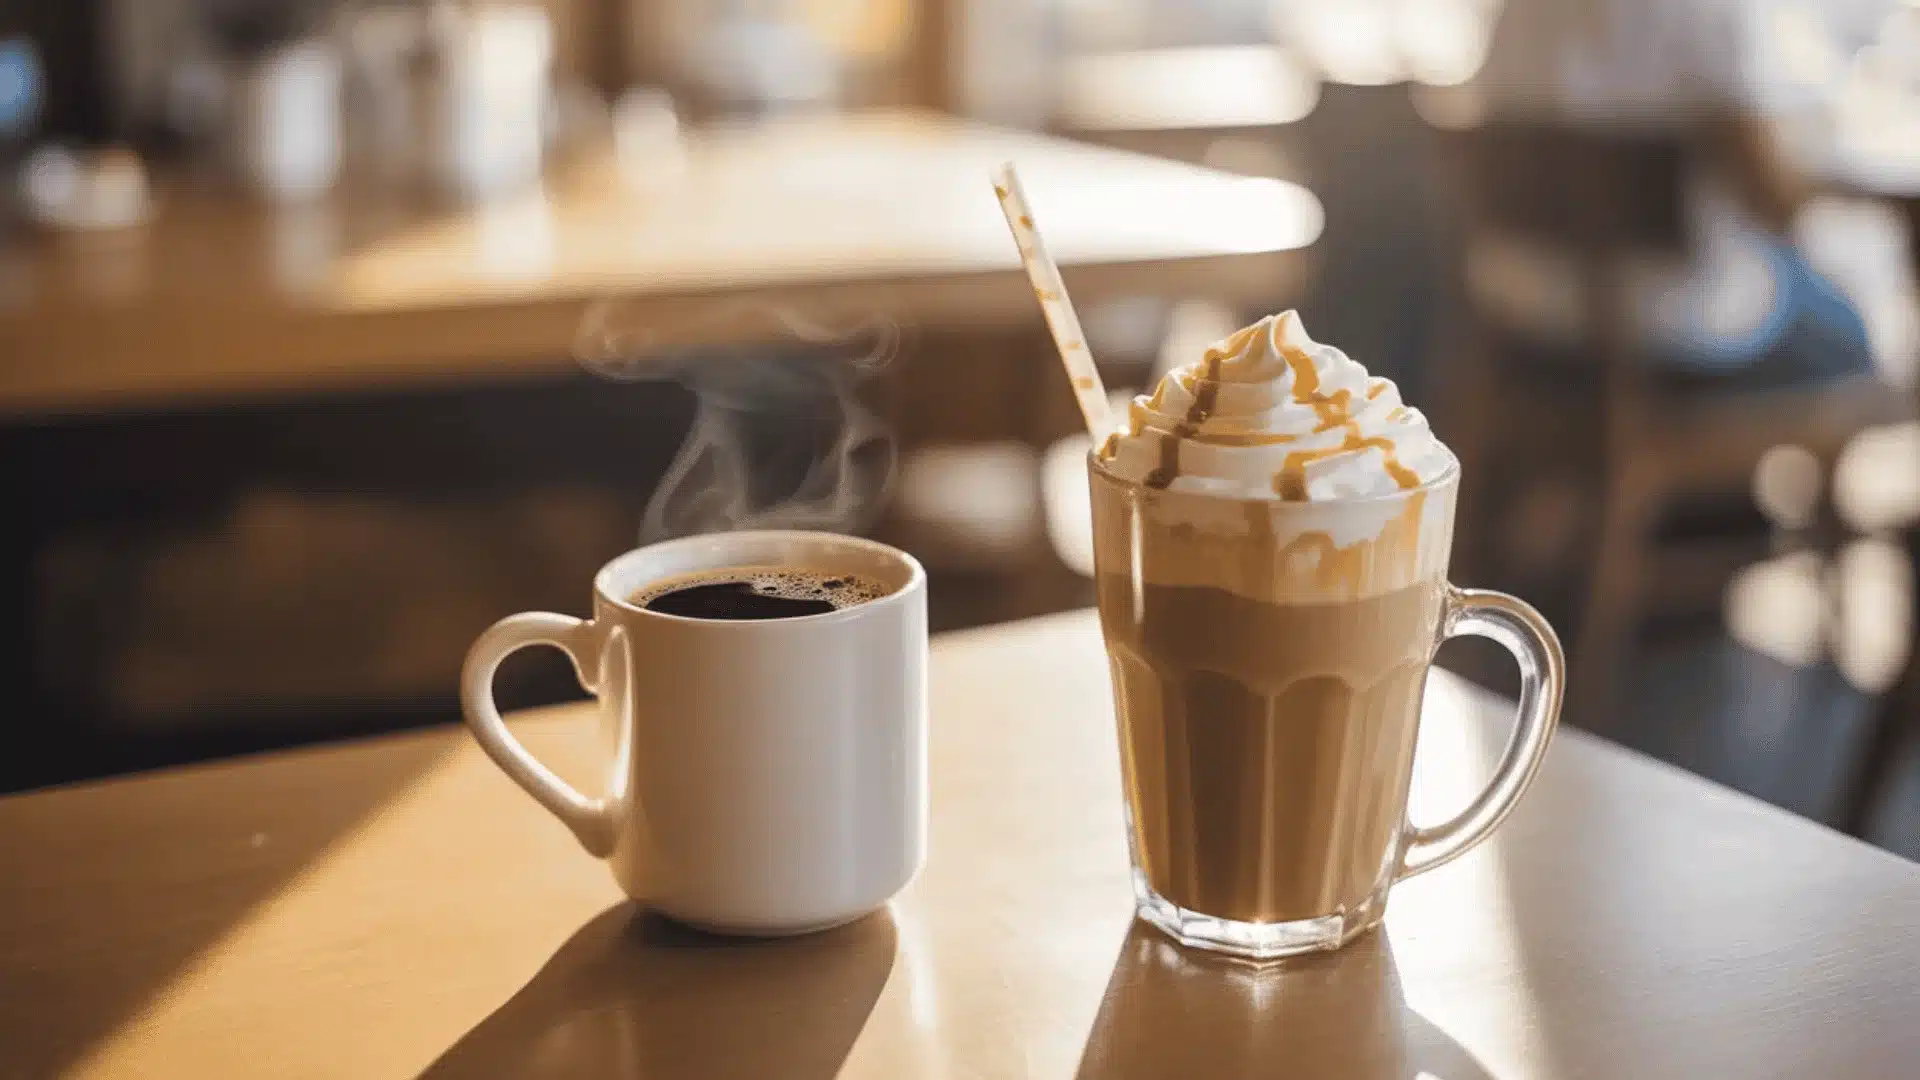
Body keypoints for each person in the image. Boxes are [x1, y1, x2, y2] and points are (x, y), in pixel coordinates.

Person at [1465, 0, 1898, 386]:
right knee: (1849, 333)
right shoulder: (1711, 12)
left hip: (1523, 323)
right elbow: (1773, 203)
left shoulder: (1516, 9)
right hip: (1674, 344)